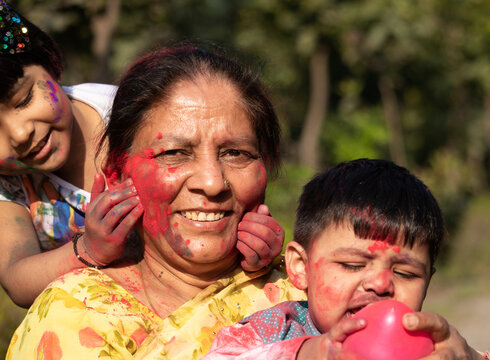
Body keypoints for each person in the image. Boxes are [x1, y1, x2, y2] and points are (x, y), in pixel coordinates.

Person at [6, 43, 306, 360]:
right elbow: (15, 277)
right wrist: (88, 249)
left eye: (236, 153)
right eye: (174, 153)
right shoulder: (73, 318)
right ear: (117, 176)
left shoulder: (306, 299)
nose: (212, 182)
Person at [0, 1, 283, 308]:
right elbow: (17, 280)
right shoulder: (7, 184)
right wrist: (88, 250)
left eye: (25, 99)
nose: (18, 133)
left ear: (50, 63)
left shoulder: (137, 114)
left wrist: (255, 247)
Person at [203, 159, 490, 360]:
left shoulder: (427, 346)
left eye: (407, 273)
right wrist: (310, 353)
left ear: (428, 282)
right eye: (353, 265)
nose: (380, 284)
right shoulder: (279, 326)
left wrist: (470, 356)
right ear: (299, 267)